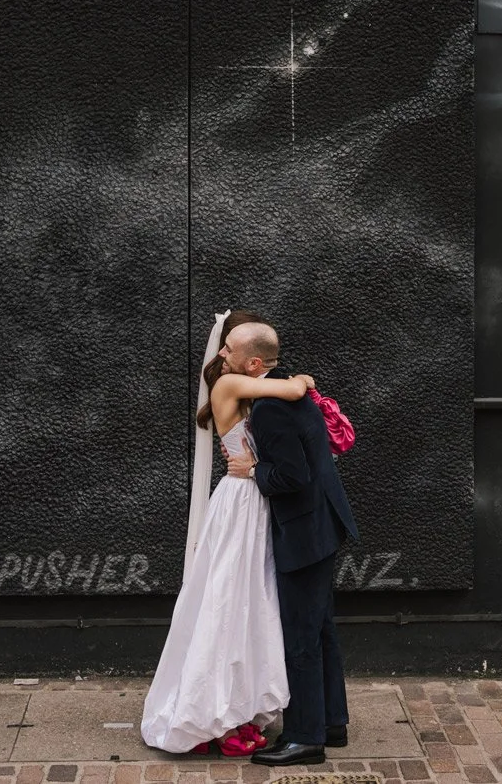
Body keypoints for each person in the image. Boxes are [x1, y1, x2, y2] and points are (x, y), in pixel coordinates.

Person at [140, 310, 316, 756]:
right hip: (241, 500)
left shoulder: (238, 384)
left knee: (249, 602)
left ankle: (237, 707)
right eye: (222, 345)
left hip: (253, 496)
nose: (220, 351)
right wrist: (306, 379)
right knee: (228, 600)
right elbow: (294, 387)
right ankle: (211, 711)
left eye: (228, 345)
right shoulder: (227, 384)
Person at [223, 321, 359, 767]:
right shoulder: (285, 386)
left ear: (253, 363)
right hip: (323, 523)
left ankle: (304, 738)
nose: (222, 357)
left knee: (300, 636)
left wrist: (252, 472)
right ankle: (331, 723)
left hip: (303, 530)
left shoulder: (269, 409)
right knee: (321, 629)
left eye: (229, 351)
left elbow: (291, 477)